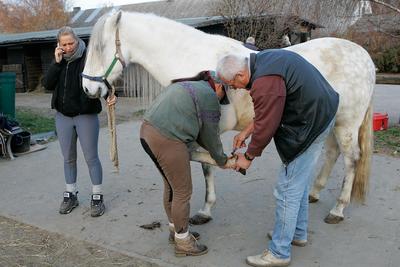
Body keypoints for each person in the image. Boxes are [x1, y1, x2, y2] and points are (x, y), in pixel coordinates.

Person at [216, 49, 339, 267]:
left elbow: (268, 123)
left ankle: (279, 253)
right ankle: (297, 233)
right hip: (320, 111)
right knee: (298, 182)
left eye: (231, 84)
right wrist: (246, 132)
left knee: (287, 188)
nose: (232, 88)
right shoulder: (263, 61)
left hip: (311, 122)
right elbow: (268, 110)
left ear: (240, 76)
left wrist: (248, 156)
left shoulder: (265, 81)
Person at [140, 71, 235, 257]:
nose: (221, 99)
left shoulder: (188, 85)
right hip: (167, 139)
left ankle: (175, 231)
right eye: (224, 95)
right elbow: (210, 137)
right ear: (219, 86)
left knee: (171, 186)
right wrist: (222, 160)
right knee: (183, 191)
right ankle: (183, 242)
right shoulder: (209, 96)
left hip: (147, 132)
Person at [42, 26, 116, 217]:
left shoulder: (89, 58)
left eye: (71, 43)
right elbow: (47, 85)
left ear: (77, 41)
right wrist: (57, 63)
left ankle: (97, 197)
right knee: (68, 158)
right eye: (64, 44)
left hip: (85, 115)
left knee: (91, 158)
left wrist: (109, 95)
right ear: (59, 45)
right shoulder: (59, 61)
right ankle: (71, 194)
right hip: (63, 117)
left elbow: (102, 81)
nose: (68, 48)